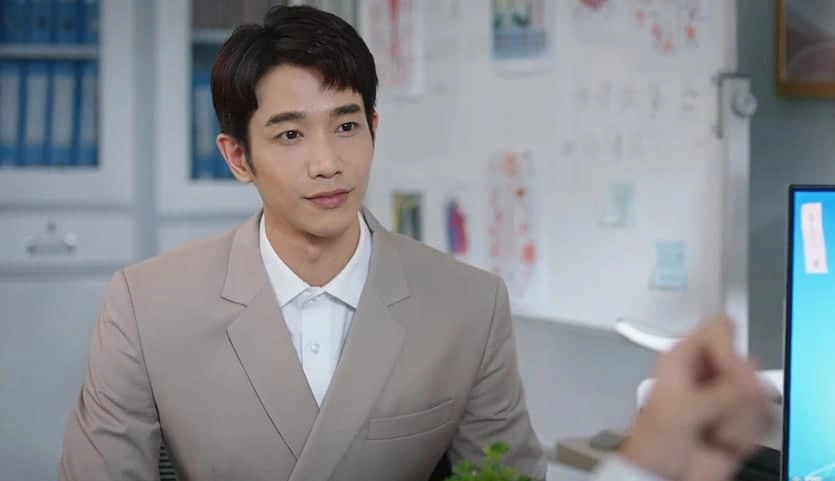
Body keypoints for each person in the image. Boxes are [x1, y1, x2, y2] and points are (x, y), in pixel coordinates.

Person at [58, 5, 773, 481]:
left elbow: (503, 478)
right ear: (237, 157)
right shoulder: (146, 305)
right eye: (290, 134)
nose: (327, 163)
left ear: (373, 127)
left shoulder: (467, 305)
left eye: (346, 125)